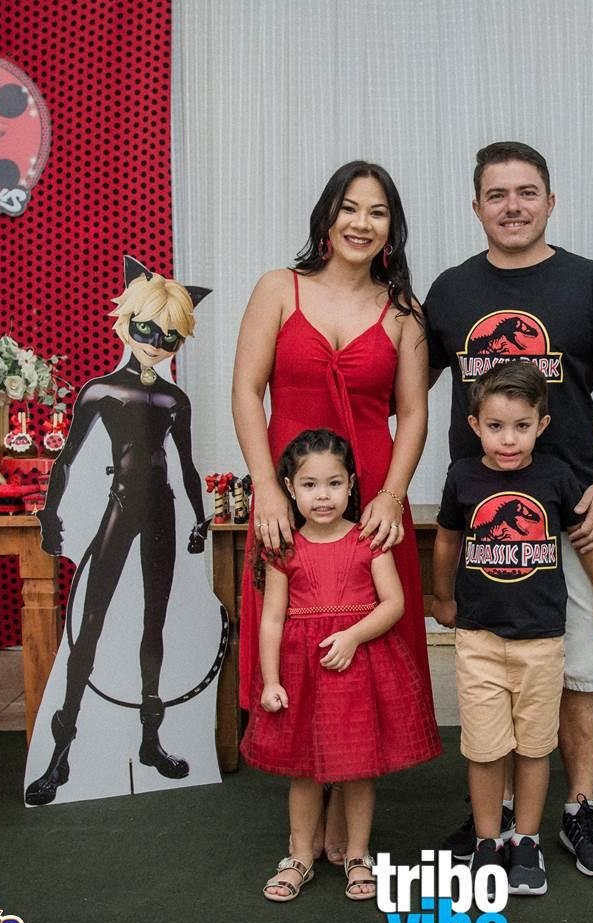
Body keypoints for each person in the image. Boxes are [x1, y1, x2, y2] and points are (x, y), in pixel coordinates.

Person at [427, 141, 593, 878]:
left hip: (570, 514)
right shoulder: (452, 291)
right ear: (476, 206)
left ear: (551, 201)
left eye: (527, 192)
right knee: (491, 673)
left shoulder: (590, 282)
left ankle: (578, 806)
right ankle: (495, 818)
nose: (513, 206)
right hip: (481, 517)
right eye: (497, 194)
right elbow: (403, 387)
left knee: (577, 670)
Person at [232, 161, 435, 863]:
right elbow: (246, 390)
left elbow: (414, 414)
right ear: (326, 216)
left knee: (365, 648)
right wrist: (265, 486)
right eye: (349, 207)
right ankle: (305, 816)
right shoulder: (277, 289)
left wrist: (392, 495)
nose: (361, 222)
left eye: (377, 212)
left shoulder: (405, 314)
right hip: (291, 494)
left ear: (391, 229)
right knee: (291, 634)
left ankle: (351, 817)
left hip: (370, 499)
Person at [24, 257, 217, 806]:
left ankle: (150, 741)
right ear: (127, 324)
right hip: (121, 505)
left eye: (170, 337)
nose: (157, 344)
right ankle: (61, 753)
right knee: (90, 622)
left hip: (163, 512)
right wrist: (51, 517)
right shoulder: (101, 390)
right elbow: (66, 459)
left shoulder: (175, 399)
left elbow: (186, 466)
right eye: (147, 330)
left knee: (155, 623)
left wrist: (199, 518)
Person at [432, 363, 593, 895]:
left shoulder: (557, 477)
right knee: (484, 748)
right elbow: (447, 540)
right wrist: (441, 596)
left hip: (542, 641)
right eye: (496, 427)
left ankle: (527, 841)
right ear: (475, 425)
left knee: (535, 747)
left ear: (542, 424)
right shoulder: (463, 477)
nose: (508, 439)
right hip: (479, 639)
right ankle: (487, 842)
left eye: (521, 426)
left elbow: (586, 543)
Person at [244, 429, 441, 902]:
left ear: (351, 484)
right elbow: (271, 619)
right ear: (289, 488)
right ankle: (300, 855)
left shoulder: (368, 540)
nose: (323, 496)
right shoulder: (284, 547)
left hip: (358, 671)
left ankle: (357, 854)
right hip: (302, 672)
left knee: (358, 769)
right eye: (309, 485)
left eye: (334, 483)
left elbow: (394, 604)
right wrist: (270, 680)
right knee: (304, 771)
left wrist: (353, 636)